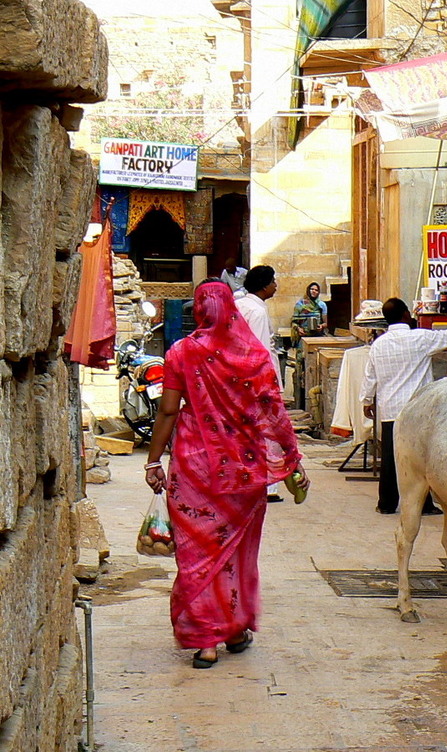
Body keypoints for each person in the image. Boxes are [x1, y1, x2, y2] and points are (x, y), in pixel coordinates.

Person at [143, 279, 309, 669]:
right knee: (234, 550)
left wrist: (153, 462)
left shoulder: (181, 353)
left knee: (198, 551)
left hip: (193, 466)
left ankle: (206, 641)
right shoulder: (252, 355)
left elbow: (167, 411)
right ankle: (232, 629)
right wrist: (290, 456)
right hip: (243, 469)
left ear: (198, 311)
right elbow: (273, 412)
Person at [360, 289, 447, 514]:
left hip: (390, 408)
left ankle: (386, 503)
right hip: (416, 410)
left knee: (390, 459)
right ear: (405, 315)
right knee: (419, 460)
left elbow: (370, 377)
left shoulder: (379, 345)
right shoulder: (421, 338)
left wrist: (367, 401)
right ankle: (422, 504)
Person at [236, 265, 285, 502]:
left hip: (241, 380)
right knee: (266, 433)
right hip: (257, 381)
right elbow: (259, 350)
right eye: (273, 281)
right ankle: (267, 485)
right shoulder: (257, 312)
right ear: (265, 286)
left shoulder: (241, 306)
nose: (276, 286)